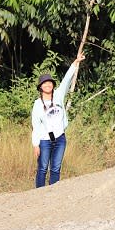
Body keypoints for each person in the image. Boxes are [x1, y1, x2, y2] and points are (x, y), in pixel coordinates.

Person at [31, 52, 85, 187]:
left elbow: (67, 79)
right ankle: (39, 192)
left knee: (55, 168)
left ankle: (53, 193)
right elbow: (35, 125)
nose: (48, 85)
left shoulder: (59, 95)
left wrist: (75, 62)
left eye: (49, 83)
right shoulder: (38, 104)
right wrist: (35, 144)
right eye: (44, 83)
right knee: (43, 168)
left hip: (60, 138)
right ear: (40, 87)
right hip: (44, 140)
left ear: (53, 85)